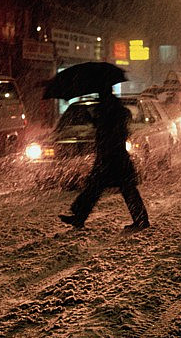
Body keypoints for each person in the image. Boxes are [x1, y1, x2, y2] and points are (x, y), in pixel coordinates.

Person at [59, 88, 150, 233]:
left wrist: (95, 119)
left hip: (113, 158)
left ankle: (141, 220)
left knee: (108, 189)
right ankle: (79, 217)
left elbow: (110, 131)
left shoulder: (112, 112)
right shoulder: (114, 111)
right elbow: (108, 127)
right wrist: (93, 119)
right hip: (113, 158)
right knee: (99, 188)